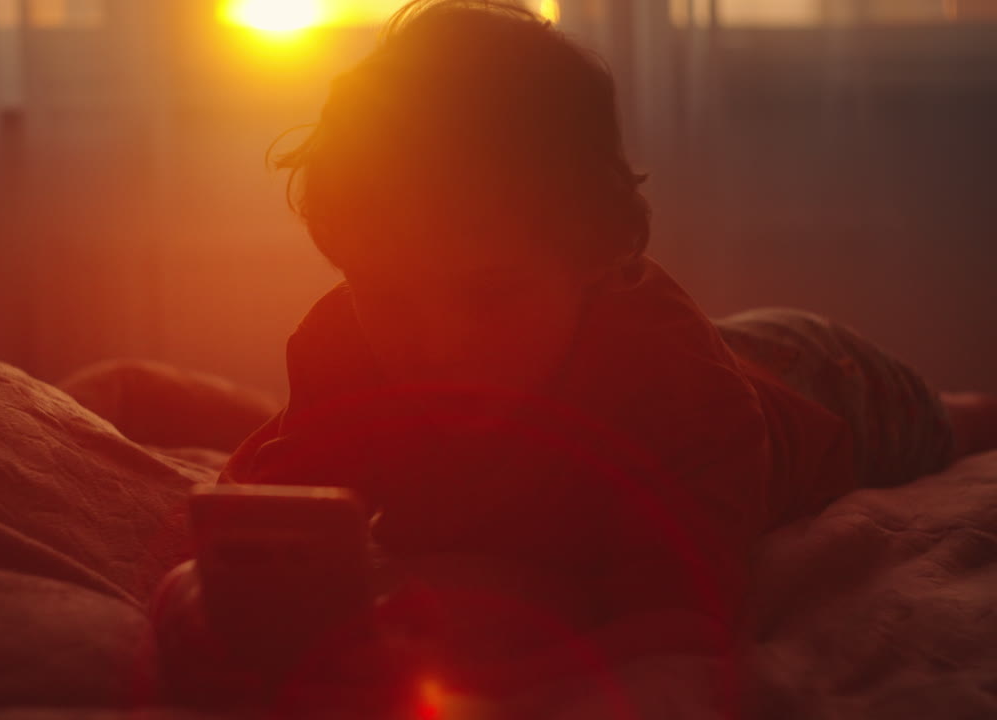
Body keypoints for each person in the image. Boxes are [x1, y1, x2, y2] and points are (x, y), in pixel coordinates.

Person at [165, 0, 997, 711]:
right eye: (388, 293)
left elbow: (674, 636)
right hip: (723, 348)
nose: (438, 343)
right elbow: (274, 507)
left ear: (595, 255)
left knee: (945, 426)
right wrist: (225, 598)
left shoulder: (674, 395)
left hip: (817, 383)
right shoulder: (342, 337)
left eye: (493, 296)